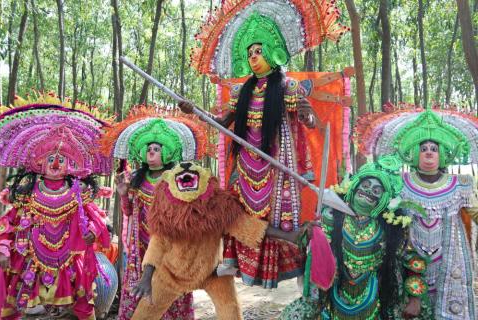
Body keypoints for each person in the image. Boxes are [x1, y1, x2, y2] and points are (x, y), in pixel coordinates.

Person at [179, 12, 320, 289]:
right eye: (250, 52)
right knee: (237, 210)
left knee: (277, 216)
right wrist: (195, 111)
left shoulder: (288, 87)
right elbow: (221, 123)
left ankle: (288, 264)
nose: (253, 56)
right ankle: (233, 260)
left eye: (258, 50)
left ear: (273, 52)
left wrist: (307, 116)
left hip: (276, 163)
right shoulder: (241, 92)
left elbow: (311, 122)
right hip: (245, 163)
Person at [0, 101, 112, 320]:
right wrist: (2, 248)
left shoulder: (78, 191)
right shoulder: (27, 192)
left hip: (69, 256)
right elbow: (9, 220)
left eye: (61, 159)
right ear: (39, 163)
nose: (56, 164)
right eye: (50, 159)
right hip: (30, 255)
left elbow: (95, 216)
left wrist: (92, 231)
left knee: (83, 301)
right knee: (15, 300)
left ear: (70, 164)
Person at [104, 117, 195, 320]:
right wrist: (123, 193)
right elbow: (129, 212)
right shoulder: (136, 178)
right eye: (148, 148)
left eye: (156, 148)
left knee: (168, 294)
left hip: (170, 248)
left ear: (167, 152)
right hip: (141, 249)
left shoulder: (177, 178)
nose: (151, 151)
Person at [319, 156, 429, 319]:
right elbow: (318, 254)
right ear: (355, 187)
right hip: (336, 289)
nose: (368, 191)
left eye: (377, 191)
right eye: (365, 185)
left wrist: (415, 299)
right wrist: (310, 235)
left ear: (383, 200)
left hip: (380, 292)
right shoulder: (332, 216)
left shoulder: (393, 226)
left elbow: (412, 260)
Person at [393, 110, 477, 319]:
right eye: (423, 149)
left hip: (449, 258)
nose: (429, 153)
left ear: (442, 155)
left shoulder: (460, 184)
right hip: (409, 253)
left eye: (434, 149)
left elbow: (474, 212)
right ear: (414, 153)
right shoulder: (399, 183)